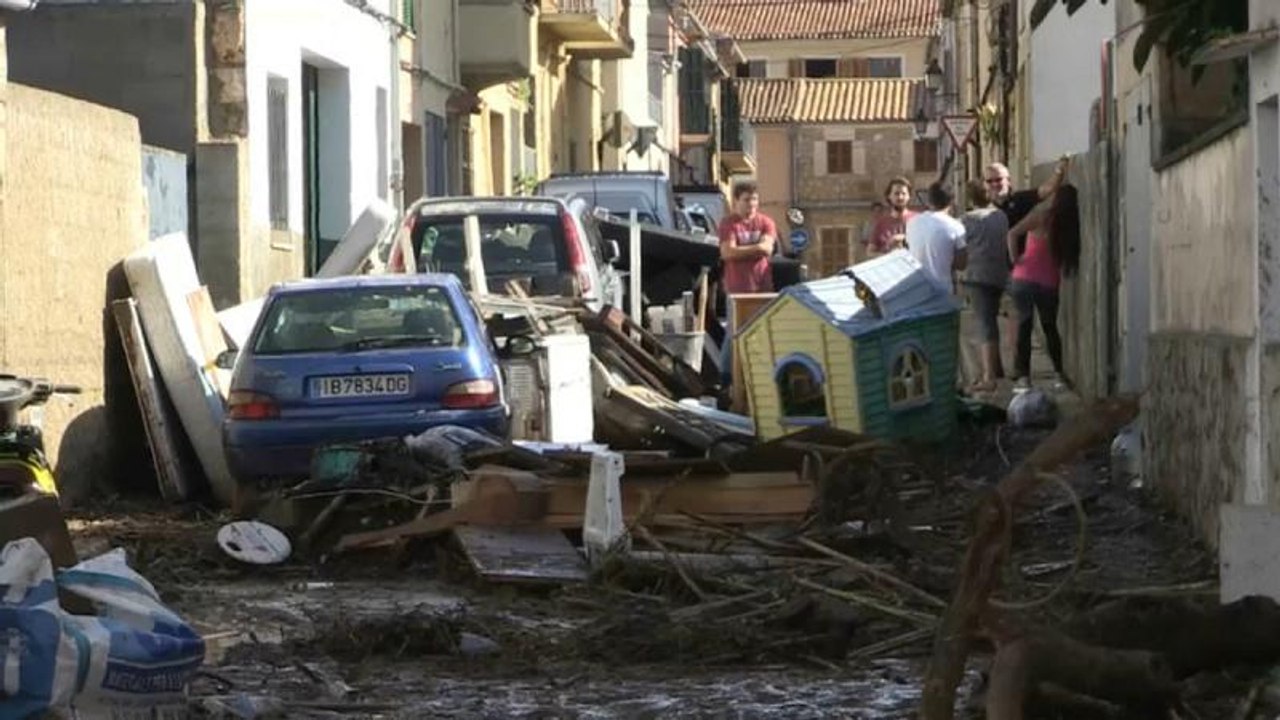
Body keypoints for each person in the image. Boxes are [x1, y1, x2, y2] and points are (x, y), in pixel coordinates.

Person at [1006, 184, 1081, 391]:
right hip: (1049, 282)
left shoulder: (1041, 214)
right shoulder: (1071, 224)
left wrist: (1015, 260)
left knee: (1024, 327)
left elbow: (1012, 233)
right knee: (1050, 328)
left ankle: (1024, 379)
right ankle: (1058, 375)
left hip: (1024, 277)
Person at [960, 179, 1011, 392]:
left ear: (970, 198)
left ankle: (988, 377)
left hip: (976, 276)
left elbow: (959, 247)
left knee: (984, 324)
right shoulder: (1000, 216)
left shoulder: (966, 220)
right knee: (991, 319)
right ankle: (997, 368)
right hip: (999, 274)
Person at [985, 156, 1070, 260]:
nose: (994, 184)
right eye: (989, 181)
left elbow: (1047, 190)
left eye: (998, 179)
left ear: (1008, 181)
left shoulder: (1020, 200)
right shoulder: (984, 211)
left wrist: (1059, 170)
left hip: (1021, 268)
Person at [905, 183, 967, 294]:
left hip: (916, 289)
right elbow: (962, 263)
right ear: (952, 201)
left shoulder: (912, 222)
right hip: (943, 291)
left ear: (929, 201)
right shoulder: (955, 226)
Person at [717, 181, 777, 295]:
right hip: (737, 289)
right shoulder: (728, 223)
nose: (751, 203)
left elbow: (767, 249)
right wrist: (757, 248)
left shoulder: (766, 222)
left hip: (763, 286)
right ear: (736, 200)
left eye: (754, 199)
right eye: (747, 199)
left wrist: (739, 251)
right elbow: (727, 253)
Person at [865, 177, 916, 257]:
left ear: (909, 197)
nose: (900, 197)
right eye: (896, 193)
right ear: (889, 196)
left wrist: (905, 239)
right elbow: (870, 252)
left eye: (903, 193)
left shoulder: (919, 220)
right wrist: (889, 256)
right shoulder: (881, 223)